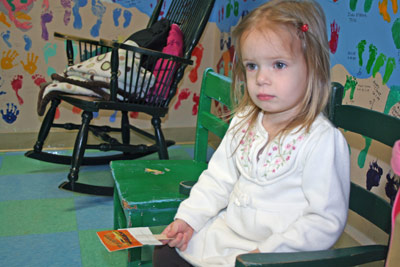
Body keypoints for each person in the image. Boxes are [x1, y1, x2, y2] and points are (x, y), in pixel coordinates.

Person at [153, 0, 350, 266]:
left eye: (278, 65)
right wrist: (188, 219)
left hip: (279, 254)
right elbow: (218, 179)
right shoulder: (244, 121)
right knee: (166, 253)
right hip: (230, 236)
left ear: (312, 67)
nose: (261, 79)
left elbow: (324, 221)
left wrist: (269, 253)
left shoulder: (321, 140)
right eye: (252, 66)